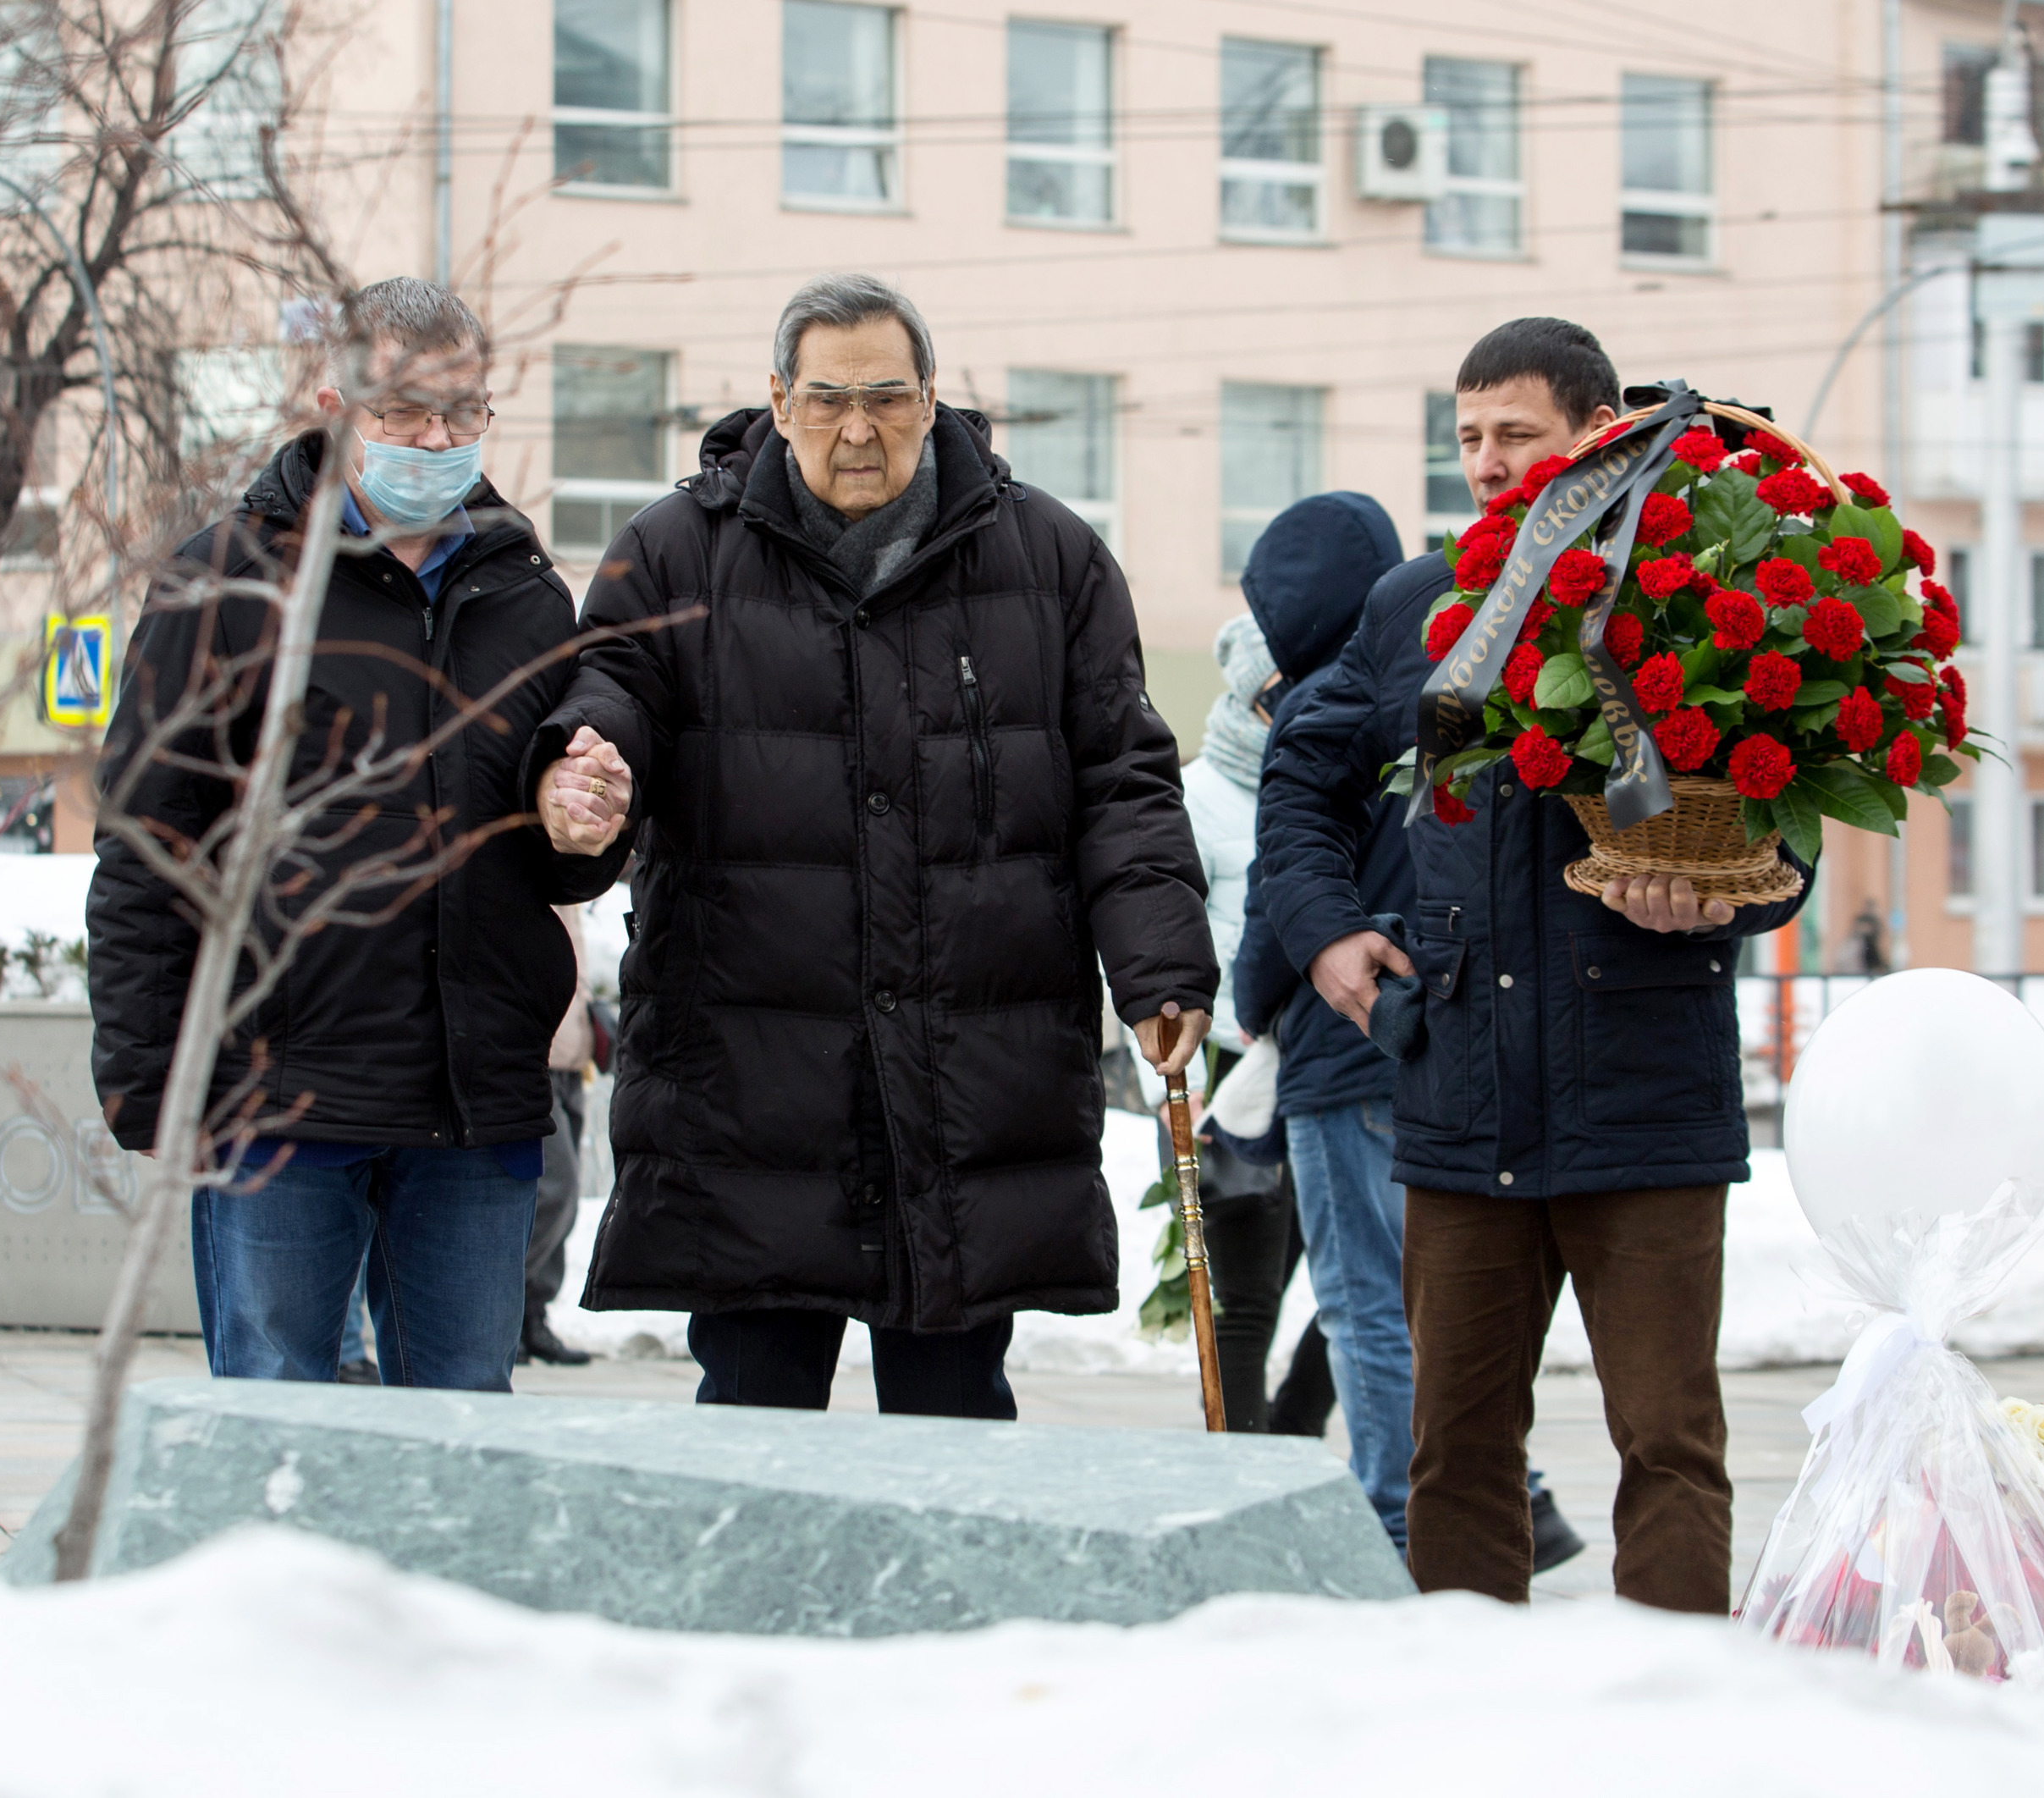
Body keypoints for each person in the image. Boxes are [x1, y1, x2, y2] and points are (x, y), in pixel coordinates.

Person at [527, 273, 1219, 1417]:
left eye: (889, 401)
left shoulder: (1046, 558)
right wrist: (584, 771)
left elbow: (1123, 781)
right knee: (756, 1419)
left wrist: (1159, 964)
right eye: (829, 401)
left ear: (933, 397)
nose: (860, 431)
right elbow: (611, 694)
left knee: (951, 1421)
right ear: (777, 401)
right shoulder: (674, 556)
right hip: (749, 1073)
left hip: (965, 1069)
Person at [1257, 317, 1811, 1612]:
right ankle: (1471, 1728)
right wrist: (1325, 929)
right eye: (1468, 439)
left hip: (1646, 1102)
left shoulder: (1682, 592)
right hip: (1459, 1096)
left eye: (1517, 434)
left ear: (1596, 433)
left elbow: (1781, 829)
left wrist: (1719, 903)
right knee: (1453, 1455)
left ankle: (1666, 1727)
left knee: (1669, 1451)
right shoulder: (1415, 606)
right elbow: (1299, 769)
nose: (1490, 462)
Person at [88, 277, 591, 1393]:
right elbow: (146, 843)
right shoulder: (226, 583)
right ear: (332, 403)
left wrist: (592, 819)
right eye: (404, 413)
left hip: (473, 1103)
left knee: (462, 1432)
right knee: (276, 1418)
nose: (437, 439)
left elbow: (564, 842)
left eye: (464, 413)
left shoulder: (526, 597)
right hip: (279, 1098)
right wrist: (143, 1079)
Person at [1235, 489, 1584, 1569]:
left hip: (1341, 1049)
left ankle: (1395, 1514)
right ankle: (1509, 1495)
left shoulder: (1318, 713)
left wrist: (1252, 1004)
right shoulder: (1456, 675)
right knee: (1440, 1308)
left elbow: (1271, 902)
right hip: (1447, 1035)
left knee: (1365, 1308)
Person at [1172, 613, 1301, 1431]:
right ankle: (1245, 1473)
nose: (1290, 708)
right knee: (1247, 1303)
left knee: (1373, 1283)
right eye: (1274, 695)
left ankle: (1291, 1428)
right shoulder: (1197, 793)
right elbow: (1163, 946)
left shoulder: (1327, 779)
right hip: (1227, 1068)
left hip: (1320, 1060)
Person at [520, 904, 598, 1366]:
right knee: (557, 1190)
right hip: (537, 1060)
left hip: (573, 1059)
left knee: (560, 1211)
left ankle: (532, 1317)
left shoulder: (579, 881)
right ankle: (501, 1304)